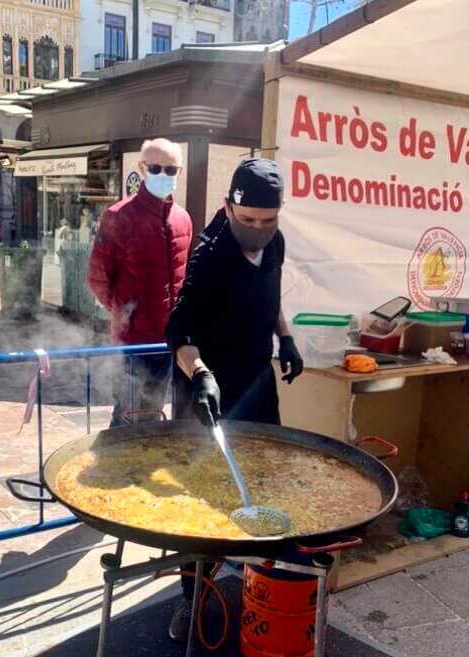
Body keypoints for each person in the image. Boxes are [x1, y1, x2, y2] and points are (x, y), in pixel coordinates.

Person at [165, 158, 304, 642]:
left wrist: (284, 337)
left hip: (256, 382)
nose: (258, 231)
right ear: (228, 208)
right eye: (248, 222)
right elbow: (178, 328)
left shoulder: (276, 243)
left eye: (268, 222)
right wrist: (199, 373)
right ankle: (191, 599)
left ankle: (255, 576)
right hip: (205, 389)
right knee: (201, 500)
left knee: (264, 478)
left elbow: (272, 295)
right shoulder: (209, 254)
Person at [88, 138, 192, 426]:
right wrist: (124, 314)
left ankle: (140, 469)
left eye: (171, 170)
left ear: (180, 172)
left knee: (153, 411)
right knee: (127, 413)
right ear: (142, 168)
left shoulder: (183, 219)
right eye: (156, 168)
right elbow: (98, 277)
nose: (164, 175)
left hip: (168, 341)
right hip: (132, 343)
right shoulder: (118, 216)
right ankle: (108, 469)